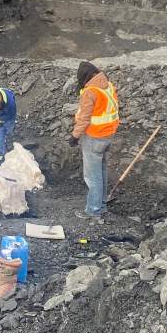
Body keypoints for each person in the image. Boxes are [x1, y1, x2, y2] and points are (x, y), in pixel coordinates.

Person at [70, 61, 120, 220]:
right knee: (102, 171)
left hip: (94, 137)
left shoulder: (90, 92)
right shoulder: (108, 86)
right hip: (108, 135)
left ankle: (93, 210)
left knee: (93, 176)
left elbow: (84, 119)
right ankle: (102, 206)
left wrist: (75, 136)